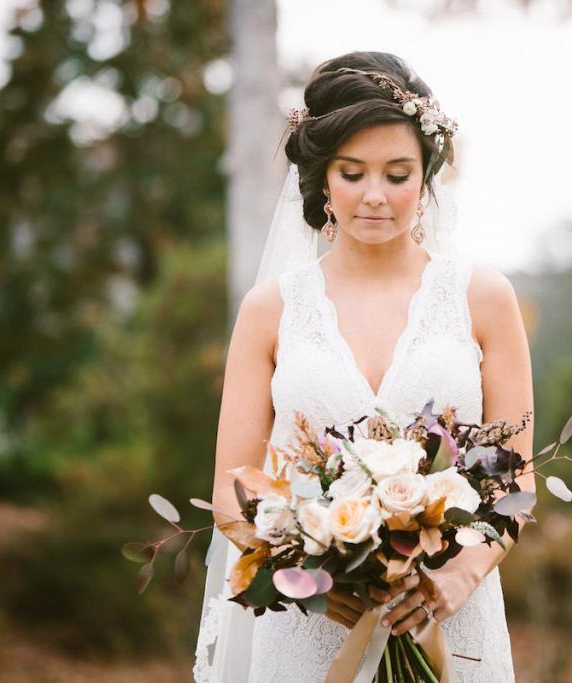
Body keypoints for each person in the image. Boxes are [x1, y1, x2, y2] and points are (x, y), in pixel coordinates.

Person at [193, 50, 534, 682]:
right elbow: (231, 489)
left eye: (398, 174)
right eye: (353, 173)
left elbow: (515, 483)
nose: (375, 196)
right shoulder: (270, 310)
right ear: (323, 178)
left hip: (453, 622)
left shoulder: (484, 300)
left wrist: (454, 580)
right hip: (308, 629)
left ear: (426, 177)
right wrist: (308, 583)